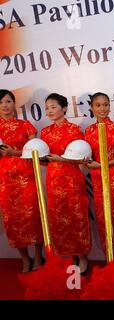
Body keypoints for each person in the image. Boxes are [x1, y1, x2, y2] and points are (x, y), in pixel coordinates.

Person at [41, 93, 91, 273]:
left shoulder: (74, 130)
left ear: (63, 108)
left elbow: (81, 159)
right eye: (47, 108)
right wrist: (37, 158)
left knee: (77, 218)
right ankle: (71, 256)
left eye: (53, 107)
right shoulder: (45, 132)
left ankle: (83, 256)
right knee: (59, 219)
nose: (50, 111)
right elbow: (46, 160)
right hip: (53, 180)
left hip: (72, 179)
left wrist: (60, 159)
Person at [0, 89, 44, 272]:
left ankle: (38, 256)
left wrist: (14, 152)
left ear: (14, 103)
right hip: (5, 180)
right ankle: (25, 258)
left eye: (8, 101)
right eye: (1, 102)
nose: (5, 105)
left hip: (26, 177)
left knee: (33, 216)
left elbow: (35, 151)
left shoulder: (25, 125)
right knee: (13, 220)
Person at [85, 92, 114, 258]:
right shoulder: (89, 131)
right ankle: (110, 258)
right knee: (103, 220)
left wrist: (102, 164)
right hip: (97, 180)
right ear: (92, 107)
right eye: (98, 105)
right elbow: (87, 157)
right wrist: (86, 161)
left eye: (105, 104)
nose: (102, 108)